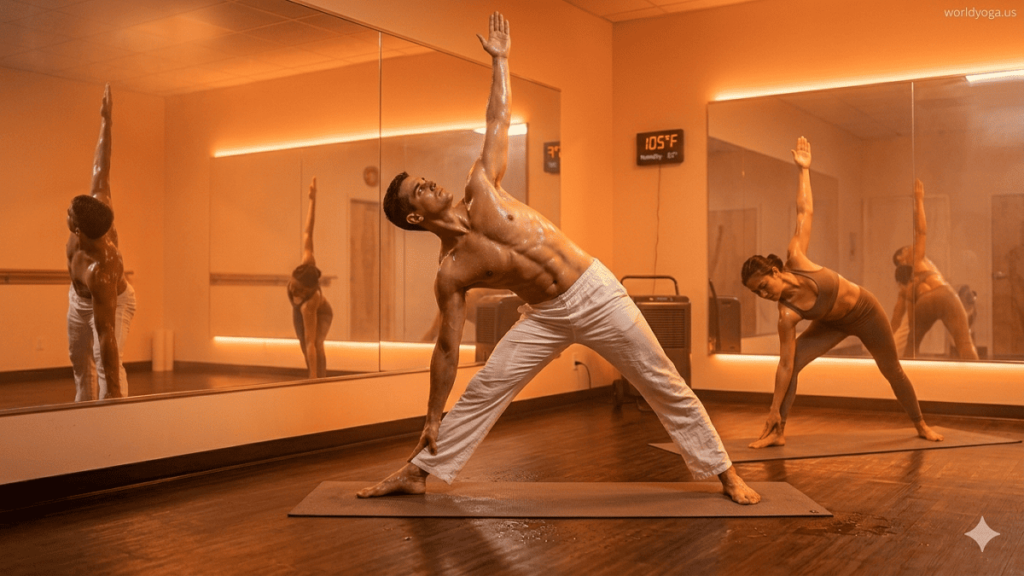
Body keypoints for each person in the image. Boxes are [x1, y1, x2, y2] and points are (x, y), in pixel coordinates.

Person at [358, 12, 760, 505]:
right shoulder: (451, 272)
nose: (430, 183)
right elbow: (445, 349)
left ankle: (724, 473)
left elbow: (497, 119)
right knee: (487, 386)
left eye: (423, 178)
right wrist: (432, 414)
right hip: (545, 316)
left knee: (660, 379)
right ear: (415, 218)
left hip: (595, 292)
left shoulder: (481, 186)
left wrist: (501, 62)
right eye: (418, 189)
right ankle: (420, 470)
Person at [741, 137, 943, 449]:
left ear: (776, 272)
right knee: (793, 366)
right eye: (756, 293)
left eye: (763, 286)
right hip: (831, 324)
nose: (763, 294)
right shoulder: (787, 316)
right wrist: (771, 409)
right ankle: (778, 431)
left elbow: (804, 211)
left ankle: (921, 424)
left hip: (864, 312)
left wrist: (803, 171)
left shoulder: (796, 257)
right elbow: (783, 364)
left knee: (892, 370)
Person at [66, 84, 136, 401]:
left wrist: (114, 396)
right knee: (81, 365)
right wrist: (106, 121)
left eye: (70, 217)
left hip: (114, 302)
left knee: (109, 364)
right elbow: (101, 165)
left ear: (79, 230)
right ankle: (86, 422)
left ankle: (116, 420)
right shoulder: (99, 205)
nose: (66, 215)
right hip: (79, 300)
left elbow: (106, 333)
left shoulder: (103, 268)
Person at [891, 179, 979, 360]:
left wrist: (884, 344)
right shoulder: (916, 258)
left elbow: (897, 316)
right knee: (964, 342)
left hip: (924, 304)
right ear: (902, 257)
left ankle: (907, 377)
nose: (911, 246)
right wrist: (919, 200)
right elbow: (921, 231)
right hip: (942, 294)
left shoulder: (904, 286)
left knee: (911, 345)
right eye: (907, 247)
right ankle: (979, 380)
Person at [287, 177, 333, 379]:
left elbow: (310, 342)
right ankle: (316, 379)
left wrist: (312, 380)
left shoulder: (310, 304)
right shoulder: (307, 260)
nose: (294, 292)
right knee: (303, 345)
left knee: (314, 345)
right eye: (293, 287)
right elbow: (308, 231)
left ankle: (319, 380)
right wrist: (312, 200)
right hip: (306, 309)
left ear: (309, 290)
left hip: (323, 313)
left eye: (299, 290)